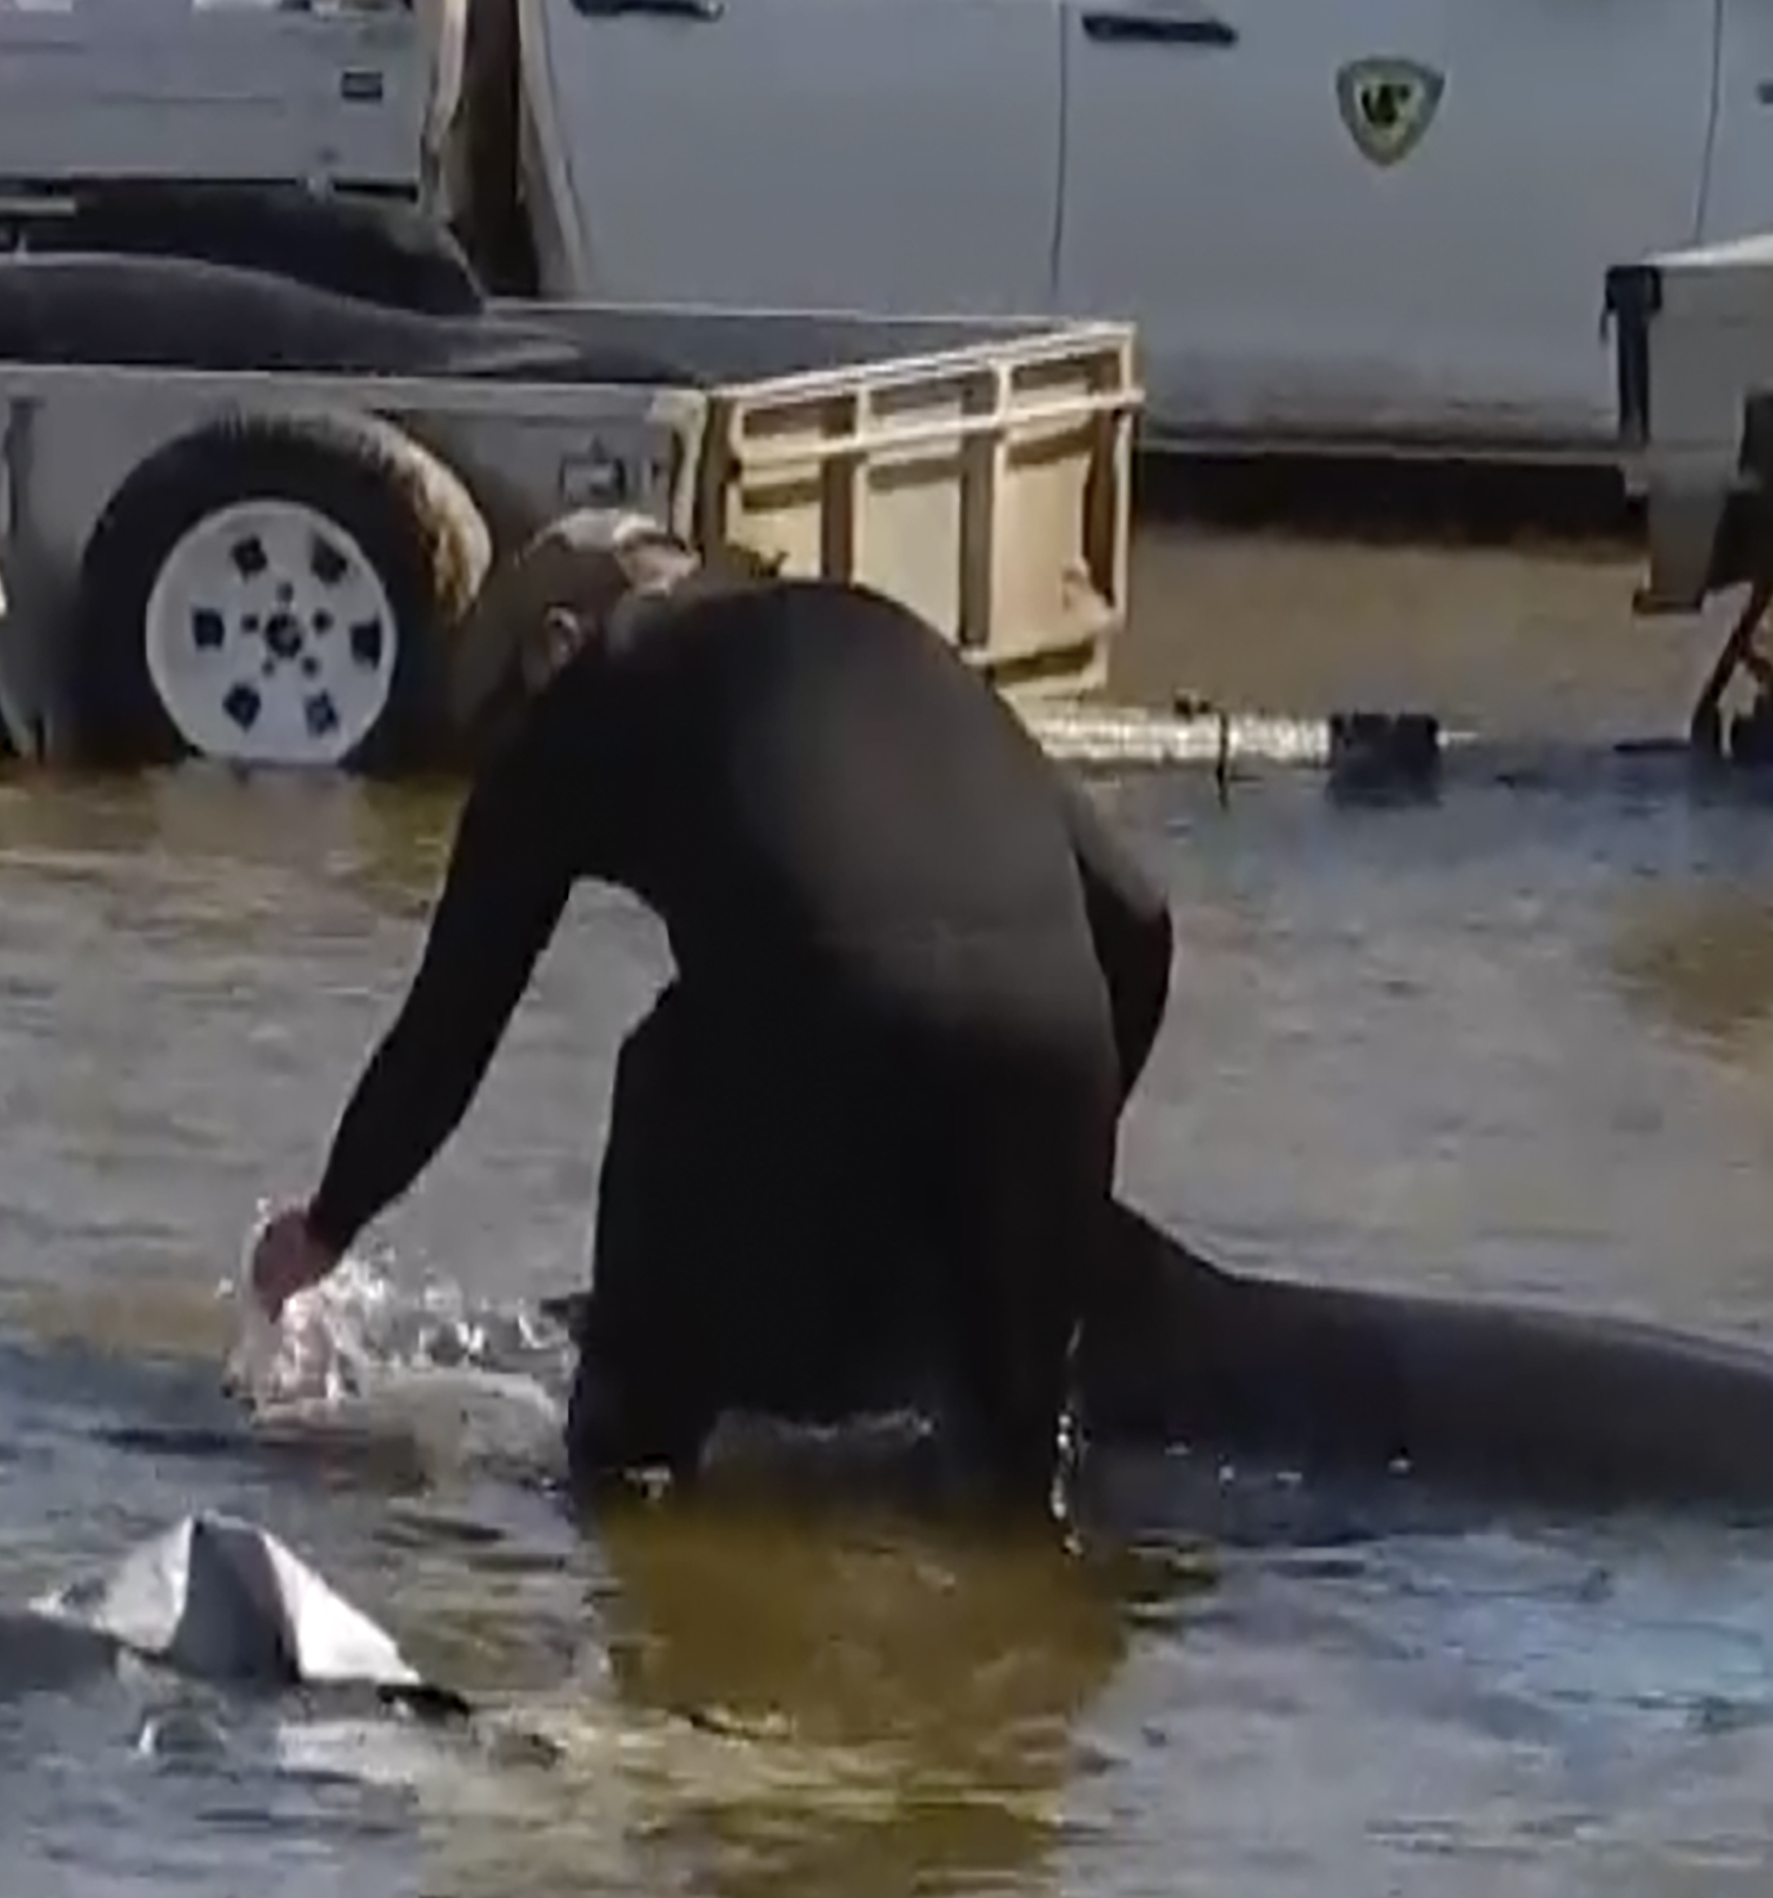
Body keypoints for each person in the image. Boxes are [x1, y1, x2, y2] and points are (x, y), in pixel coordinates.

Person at [243, 515, 1178, 1523]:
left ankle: (644, 1525)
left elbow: (449, 1031)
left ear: (555, 643)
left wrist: (326, 1226)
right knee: (1014, 1504)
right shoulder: (884, 631)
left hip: (820, 1024)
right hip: (1054, 1050)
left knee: (629, 1483)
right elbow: (1137, 919)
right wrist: (1053, 1168)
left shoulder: (596, 689)